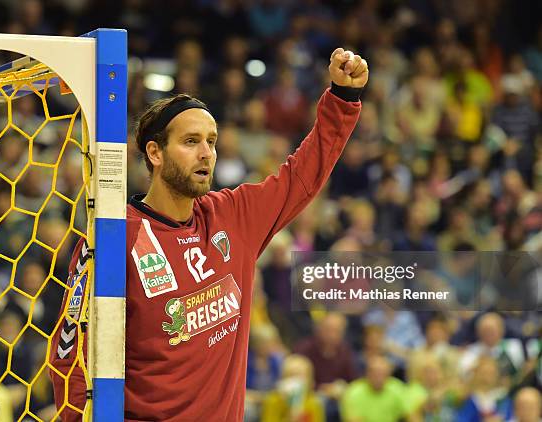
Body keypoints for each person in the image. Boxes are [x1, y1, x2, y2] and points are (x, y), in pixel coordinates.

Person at [49, 47, 368, 421]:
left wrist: (343, 99)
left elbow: (303, 175)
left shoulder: (233, 215)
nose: (206, 154)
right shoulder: (116, 236)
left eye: (212, 142)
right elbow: (70, 350)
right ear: (155, 152)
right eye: (191, 142)